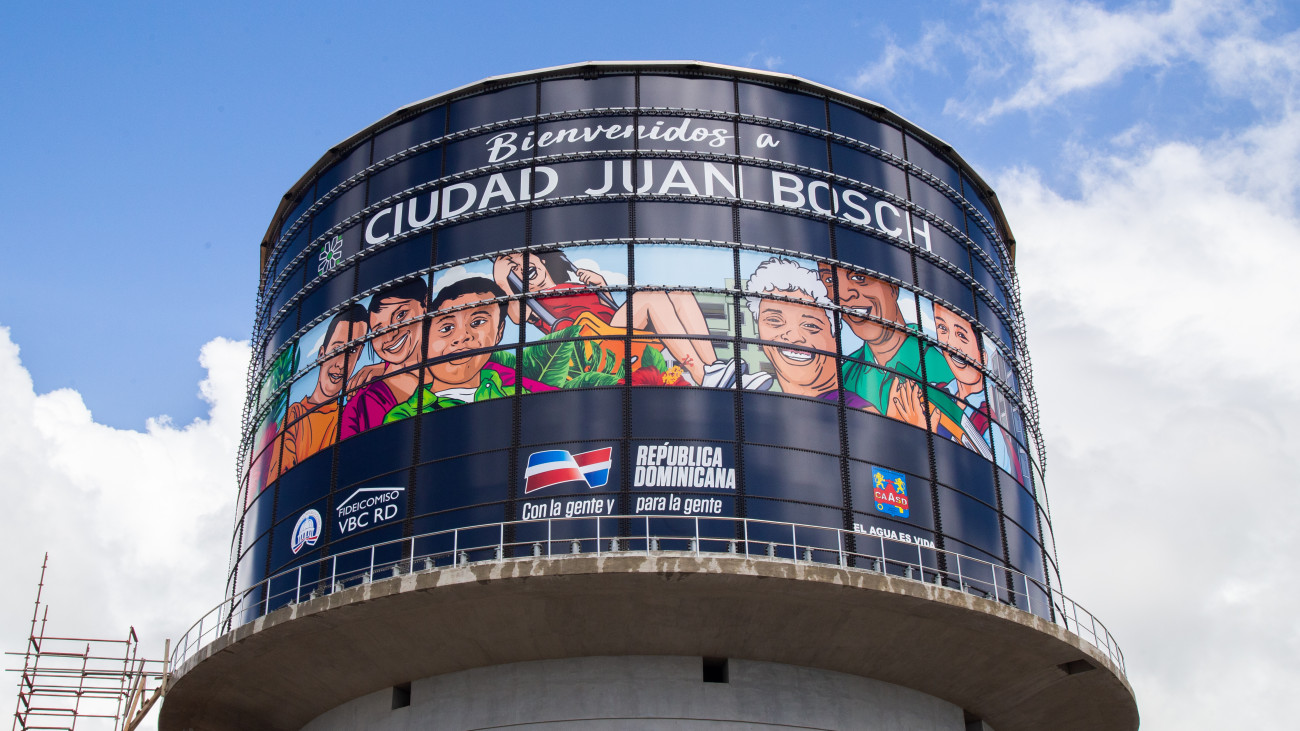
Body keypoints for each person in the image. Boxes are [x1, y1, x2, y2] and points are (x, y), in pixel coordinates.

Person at [493, 249, 757, 388]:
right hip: (592, 344)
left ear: (541, 260)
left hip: (612, 332)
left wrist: (602, 286)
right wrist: (502, 280)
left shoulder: (574, 286)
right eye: (513, 269)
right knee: (649, 298)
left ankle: (713, 367)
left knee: (679, 294)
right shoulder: (532, 302)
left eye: (522, 260)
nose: (520, 268)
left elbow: (610, 311)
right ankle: (702, 375)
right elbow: (515, 315)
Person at [385, 277, 553, 420]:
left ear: (499, 332)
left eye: (477, 322)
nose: (462, 337)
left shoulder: (519, 397)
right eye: (446, 328)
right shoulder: (404, 416)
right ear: (425, 339)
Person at [816, 264, 953, 427]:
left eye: (859, 277)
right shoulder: (843, 374)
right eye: (830, 280)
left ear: (893, 287)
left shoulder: (942, 373)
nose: (843, 295)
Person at [746, 257, 866, 406]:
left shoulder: (855, 410)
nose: (794, 337)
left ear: (835, 336)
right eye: (775, 321)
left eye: (810, 325)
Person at [268, 305, 368, 477]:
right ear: (321, 354)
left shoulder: (352, 417)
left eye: (352, 351)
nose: (341, 364)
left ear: (359, 357)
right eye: (337, 349)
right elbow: (283, 478)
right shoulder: (295, 417)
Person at [340, 278, 427, 438]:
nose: (390, 335)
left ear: (425, 305)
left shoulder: (458, 363)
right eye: (379, 331)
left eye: (401, 315)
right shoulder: (361, 404)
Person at [929, 302, 995, 459]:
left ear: (983, 357)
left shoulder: (990, 427)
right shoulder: (933, 392)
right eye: (943, 329)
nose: (951, 345)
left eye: (961, 335)